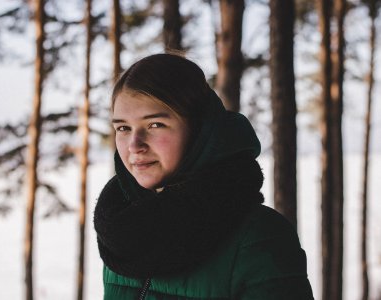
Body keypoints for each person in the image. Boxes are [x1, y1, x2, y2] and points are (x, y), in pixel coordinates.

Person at [94, 53, 314, 299]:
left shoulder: (260, 238)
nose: (135, 145)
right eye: (123, 128)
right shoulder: (123, 232)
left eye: (155, 124)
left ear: (200, 130)